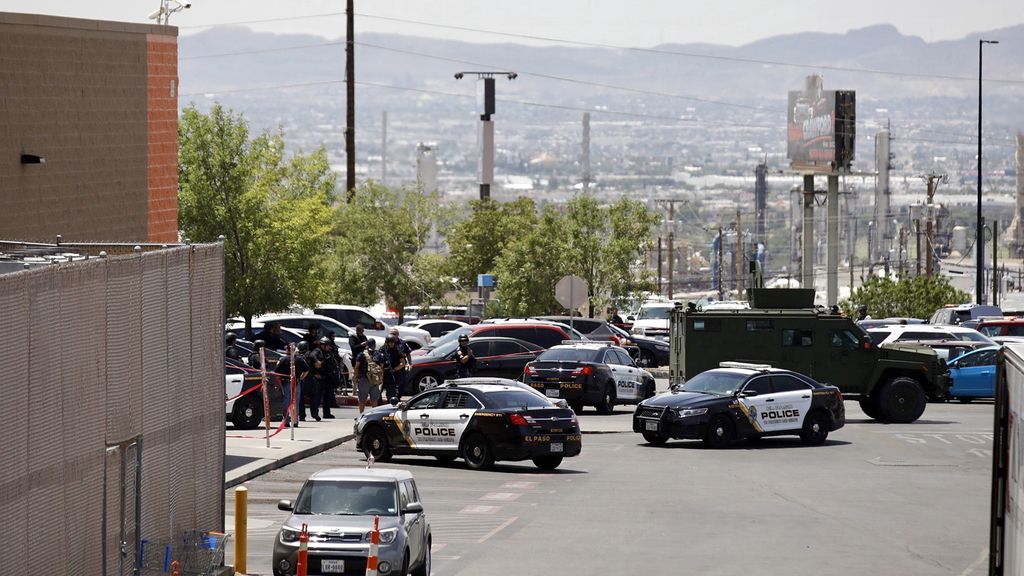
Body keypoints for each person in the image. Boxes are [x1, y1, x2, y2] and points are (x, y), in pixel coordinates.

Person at [274, 342, 309, 427]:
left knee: (286, 401)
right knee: (296, 402)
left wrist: (278, 384)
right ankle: (295, 421)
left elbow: (276, 373)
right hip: (296, 383)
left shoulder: (283, 359)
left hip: (286, 383)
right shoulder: (300, 359)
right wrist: (301, 377)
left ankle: (286, 420)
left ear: (287, 350)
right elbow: (307, 370)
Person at [308, 336, 338, 420]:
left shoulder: (329, 352)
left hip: (328, 378)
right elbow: (312, 356)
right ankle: (315, 414)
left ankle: (327, 413)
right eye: (327, 345)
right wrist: (317, 362)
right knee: (317, 397)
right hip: (319, 378)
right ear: (322, 345)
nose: (329, 347)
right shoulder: (316, 352)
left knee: (328, 397)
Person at [353, 338, 382, 413]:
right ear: (374, 345)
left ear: (367, 345)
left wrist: (356, 377)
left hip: (364, 379)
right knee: (374, 400)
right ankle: (374, 415)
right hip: (375, 380)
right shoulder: (379, 355)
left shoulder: (362, 354)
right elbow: (381, 368)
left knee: (362, 400)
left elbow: (356, 367)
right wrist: (381, 379)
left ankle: (361, 415)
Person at [379, 334, 408, 404]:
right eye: (390, 342)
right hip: (382, 374)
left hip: (392, 375)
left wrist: (394, 369)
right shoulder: (382, 349)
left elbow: (403, 363)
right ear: (387, 342)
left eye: (393, 342)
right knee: (377, 395)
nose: (392, 344)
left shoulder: (397, 350)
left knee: (391, 396)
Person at [387, 328, 412, 401]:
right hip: (391, 367)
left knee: (403, 383)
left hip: (401, 367)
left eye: (394, 334)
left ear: (398, 335)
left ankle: (398, 397)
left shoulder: (402, 343)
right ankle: (393, 399)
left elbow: (408, 354)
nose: (392, 335)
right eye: (391, 334)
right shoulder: (387, 342)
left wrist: (410, 364)